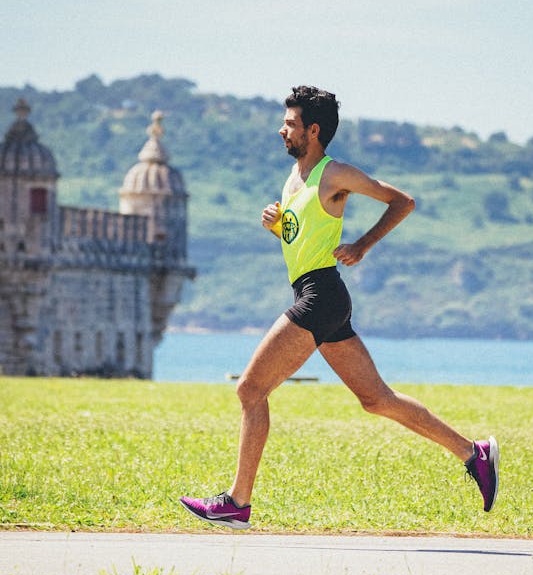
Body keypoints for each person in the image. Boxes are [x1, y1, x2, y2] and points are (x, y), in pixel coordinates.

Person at [180, 86, 498, 529]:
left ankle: (237, 502)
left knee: (250, 390)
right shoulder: (293, 181)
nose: (281, 130)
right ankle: (473, 453)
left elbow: (402, 202)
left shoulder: (336, 174)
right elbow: (305, 244)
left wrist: (364, 244)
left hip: (321, 295)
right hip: (316, 294)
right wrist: (279, 228)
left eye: (289, 124)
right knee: (376, 399)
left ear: (312, 130)